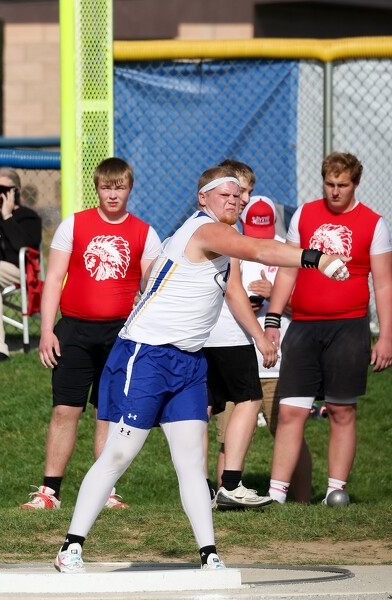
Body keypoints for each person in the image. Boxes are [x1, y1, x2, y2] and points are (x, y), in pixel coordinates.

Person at [53, 165, 350, 573]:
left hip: (189, 361)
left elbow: (232, 290)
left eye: (238, 195)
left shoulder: (223, 239)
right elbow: (260, 250)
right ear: (203, 198)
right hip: (147, 354)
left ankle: (209, 554)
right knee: (119, 454)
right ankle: (70, 546)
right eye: (225, 194)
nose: (234, 200)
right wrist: (317, 257)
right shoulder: (204, 229)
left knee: (191, 463)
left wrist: (259, 335)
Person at [19, 157, 161, 510]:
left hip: (121, 335)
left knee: (107, 413)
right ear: (96, 188)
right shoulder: (74, 224)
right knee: (64, 410)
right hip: (74, 330)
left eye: (120, 187)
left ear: (130, 188)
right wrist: (47, 331)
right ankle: (49, 492)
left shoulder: (145, 232)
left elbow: (152, 287)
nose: (113, 194)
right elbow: (54, 279)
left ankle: (105, 491)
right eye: (106, 187)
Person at [265, 152, 392, 505]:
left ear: (356, 184)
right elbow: (287, 269)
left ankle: (335, 492)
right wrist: (273, 319)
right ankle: (276, 496)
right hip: (303, 327)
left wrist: (386, 336)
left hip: (349, 328)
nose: (335, 191)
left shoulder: (374, 224)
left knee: (341, 410)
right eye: (329, 184)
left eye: (343, 185)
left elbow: (384, 284)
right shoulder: (304, 215)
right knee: (290, 411)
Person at [202, 160, 274, 510]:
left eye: (246, 192)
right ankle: (230, 485)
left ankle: (199, 486)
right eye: (238, 192)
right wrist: (260, 335)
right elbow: (232, 290)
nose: (243, 199)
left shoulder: (195, 225)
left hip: (198, 334)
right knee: (249, 399)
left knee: (199, 410)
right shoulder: (224, 228)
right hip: (226, 334)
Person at [240, 195, 311, 503]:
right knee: (232, 436)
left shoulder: (288, 252)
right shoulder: (234, 248)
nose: (261, 239)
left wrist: (275, 298)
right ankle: (227, 493)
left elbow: (308, 307)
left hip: (281, 359)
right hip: (242, 355)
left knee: (288, 432)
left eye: (265, 231)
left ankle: (303, 501)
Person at [0, 167, 42, 361]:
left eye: (2, 190)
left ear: (16, 191)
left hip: (16, 269)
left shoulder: (28, 217)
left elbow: (24, 245)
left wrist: (7, 217)